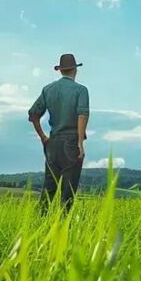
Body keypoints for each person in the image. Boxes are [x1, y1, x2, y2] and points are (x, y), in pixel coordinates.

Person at [28, 53, 89, 212]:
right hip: (71, 143)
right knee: (68, 192)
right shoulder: (81, 90)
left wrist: (43, 137)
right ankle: (63, 229)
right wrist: (80, 143)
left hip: (53, 143)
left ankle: (39, 227)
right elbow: (82, 115)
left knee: (48, 189)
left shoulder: (48, 89)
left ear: (60, 70)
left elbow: (33, 115)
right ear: (75, 70)